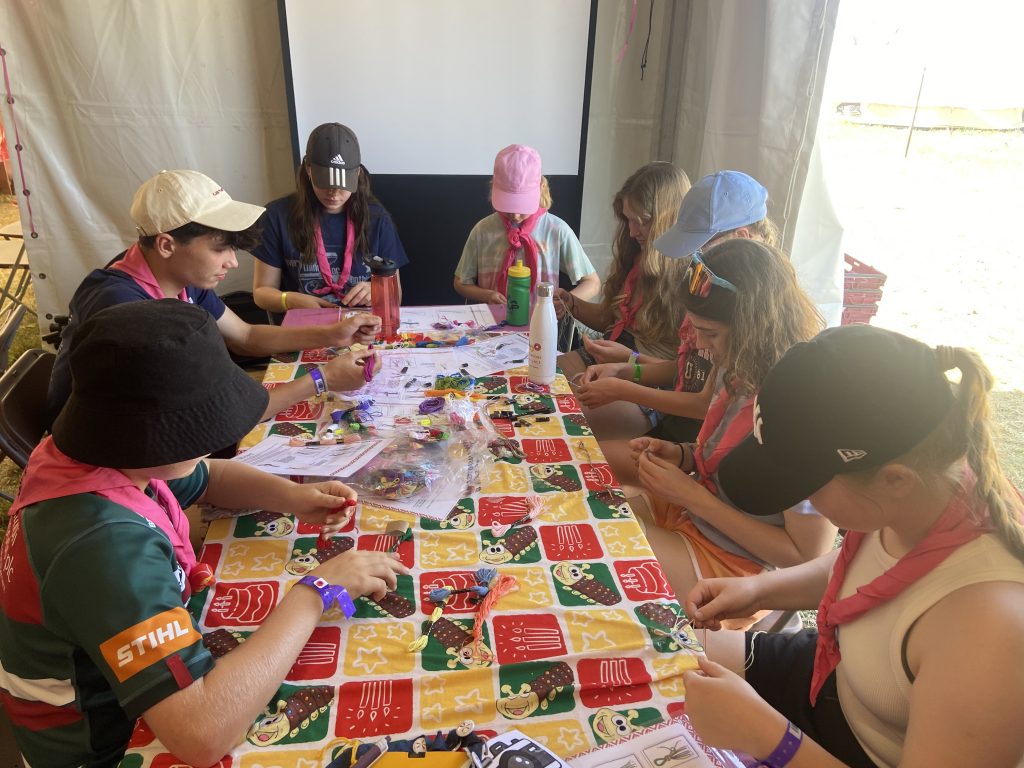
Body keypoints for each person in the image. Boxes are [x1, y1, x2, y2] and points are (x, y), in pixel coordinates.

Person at [0, 300, 408, 767]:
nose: (211, 440)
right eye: (198, 428)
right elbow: (201, 736)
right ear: (150, 436)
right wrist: (317, 590)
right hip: (100, 746)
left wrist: (295, 498)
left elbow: (208, 474)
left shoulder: (97, 453)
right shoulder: (105, 547)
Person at [680, 325, 1024, 768]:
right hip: (832, 679)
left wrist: (768, 738)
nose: (800, 503)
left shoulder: (990, 634)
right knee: (658, 658)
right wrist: (757, 591)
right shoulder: (930, 490)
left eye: (806, 486)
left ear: (894, 479)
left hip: (851, 744)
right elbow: (869, 565)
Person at [46, 169, 381, 427]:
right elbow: (228, 416)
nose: (233, 262)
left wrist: (332, 334)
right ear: (166, 244)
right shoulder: (128, 314)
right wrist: (323, 379)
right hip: (114, 460)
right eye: (221, 248)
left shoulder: (173, 274)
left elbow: (245, 336)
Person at [625, 240, 835, 621]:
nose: (700, 345)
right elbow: (729, 450)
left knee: (602, 552)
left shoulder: (803, 408)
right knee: (587, 512)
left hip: (734, 565)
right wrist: (685, 455)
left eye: (711, 333)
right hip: (694, 513)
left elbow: (806, 555)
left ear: (754, 327)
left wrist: (691, 495)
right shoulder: (739, 362)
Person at [577, 171, 780, 460]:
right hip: (684, 441)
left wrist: (625, 384)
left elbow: (704, 402)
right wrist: (628, 366)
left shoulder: (749, 313)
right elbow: (688, 368)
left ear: (741, 237)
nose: (692, 259)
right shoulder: (708, 284)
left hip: (698, 447)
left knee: (587, 457)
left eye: (699, 248)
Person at [555, 162, 692, 386]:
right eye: (628, 219)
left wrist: (627, 358)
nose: (631, 231)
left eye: (643, 222)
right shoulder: (636, 256)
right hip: (611, 355)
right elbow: (608, 318)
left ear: (669, 218)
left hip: (647, 375)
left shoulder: (690, 276)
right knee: (540, 381)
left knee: (570, 404)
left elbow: (679, 372)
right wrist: (572, 303)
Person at [252, 122, 409, 314]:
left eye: (343, 185)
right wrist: (290, 299)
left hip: (360, 327)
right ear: (309, 170)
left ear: (357, 173)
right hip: (306, 325)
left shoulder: (376, 218)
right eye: (325, 183)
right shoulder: (277, 216)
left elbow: (396, 294)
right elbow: (261, 292)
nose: (334, 193)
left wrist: (377, 291)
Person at [453, 144, 599, 312]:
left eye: (522, 206)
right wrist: (486, 295)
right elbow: (460, 282)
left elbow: (593, 283)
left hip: (541, 327)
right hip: (493, 328)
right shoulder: (483, 231)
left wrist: (565, 302)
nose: (515, 215)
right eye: (508, 205)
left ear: (541, 189)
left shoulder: (556, 230)